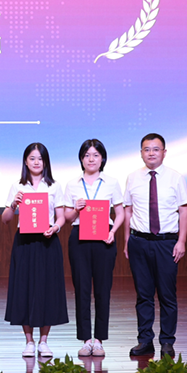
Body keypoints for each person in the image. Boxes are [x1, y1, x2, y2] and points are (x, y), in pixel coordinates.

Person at [124, 133, 187, 358]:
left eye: (155, 149)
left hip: (166, 243)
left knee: (167, 295)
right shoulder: (133, 177)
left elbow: (184, 210)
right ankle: (145, 340)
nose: (151, 153)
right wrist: (127, 240)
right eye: (146, 149)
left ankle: (167, 342)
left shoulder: (175, 178)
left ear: (164, 152)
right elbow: (128, 210)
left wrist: (181, 241)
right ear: (141, 153)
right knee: (143, 295)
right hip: (139, 242)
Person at [2, 142, 68, 358]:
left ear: (46, 162)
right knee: (24, 289)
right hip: (24, 243)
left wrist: (55, 227)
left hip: (48, 241)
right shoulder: (18, 186)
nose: (36, 162)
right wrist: (13, 204)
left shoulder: (54, 186)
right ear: (25, 161)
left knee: (47, 289)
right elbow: (5, 219)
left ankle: (44, 341)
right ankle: (29, 341)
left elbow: (61, 217)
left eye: (40, 158)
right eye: (32, 158)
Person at [63, 140, 125, 358]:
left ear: (102, 159)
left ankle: (99, 340)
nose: (91, 159)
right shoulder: (72, 184)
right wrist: (76, 210)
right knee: (81, 289)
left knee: (102, 289)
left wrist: (113, 231)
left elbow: (120, 213)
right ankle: (85, 340)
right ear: (81, 159)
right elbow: (67, 217)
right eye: (87, 155)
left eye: (96, 155)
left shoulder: (111, 182)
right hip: (79, 237)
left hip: (104, 238)